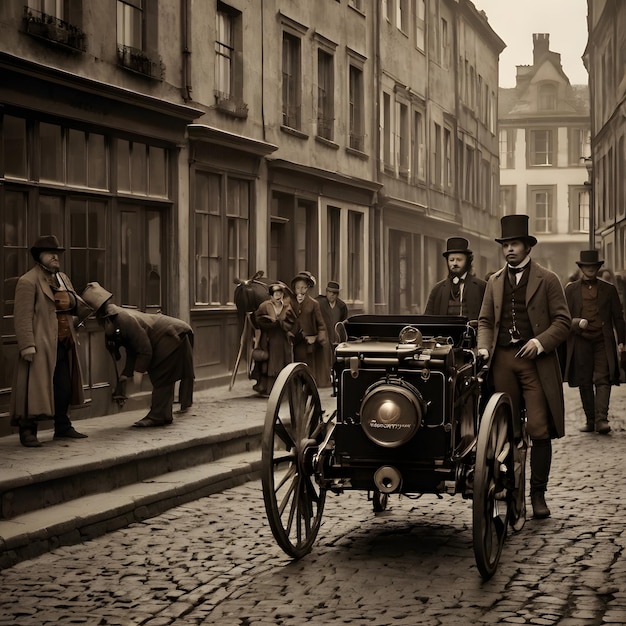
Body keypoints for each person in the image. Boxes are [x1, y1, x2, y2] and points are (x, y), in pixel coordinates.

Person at [478, 215, 571, 520]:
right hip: (502, 360)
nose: (509, 250)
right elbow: (485, 322)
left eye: (514, 244)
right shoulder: (493, 281)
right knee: (506, 429)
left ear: (527, 246)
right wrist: (483, 346)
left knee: (538, 427)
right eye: (505, 245)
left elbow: (563, 322)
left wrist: (540, 342)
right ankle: (511, 490)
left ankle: (538, 494)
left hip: (535, 363)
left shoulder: (549, 279)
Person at [10, 235, 91, 447]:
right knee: (33, 387)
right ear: (39, 257)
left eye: (58, 253)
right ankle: (28, 430)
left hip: (64, 342)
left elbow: (75, 304)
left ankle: (62, 427)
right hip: (40, 343)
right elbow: (22, 315)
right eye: (50, 253)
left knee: (63, 387)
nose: (56, 256)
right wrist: (27, 344)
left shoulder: (62, 278)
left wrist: (74, 311)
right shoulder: (28, 281)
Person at [81, 282, 194, 427]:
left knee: (162, 376)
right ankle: (163, 414)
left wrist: (138, 372)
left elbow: (144, 348)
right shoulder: (115, 316)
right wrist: (126, 373)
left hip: (172, 335)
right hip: (171, 334)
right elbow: (132, 348)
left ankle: (157, 416)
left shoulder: (122, 319)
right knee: (164, 378)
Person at [564, 250, 626, 435]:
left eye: (593, 267)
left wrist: (622, 341)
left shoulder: (609, 289)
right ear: (581, 268)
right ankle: (590, 420)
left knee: (602, 378)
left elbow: (618, 317)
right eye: (586, 266)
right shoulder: (571, 289)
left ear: (597, 268)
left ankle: (602, 420)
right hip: (581, 341)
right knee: (584, 381)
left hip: (602, 341)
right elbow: (564, 317)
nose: (590, 270)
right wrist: (576, 323)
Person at [425, 237, 486, 320]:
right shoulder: (437, 290)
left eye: (459, 260)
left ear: (467, 261)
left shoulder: (482, 287)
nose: (455, 263)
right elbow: (427, 319)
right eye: (451, 260)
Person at [251, 283, 296, 396]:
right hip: (268, 339)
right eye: (275, 294)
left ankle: (283, 391)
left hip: (282, 339)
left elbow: (292, 323)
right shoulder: (265, 306)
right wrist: (267, 323)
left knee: (283, 364)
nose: (278, 296)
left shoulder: (287, 307)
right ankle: (267, 388)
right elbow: (256, 320)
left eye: (280, 293)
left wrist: (281, 323)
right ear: (271, 296)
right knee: (268, 364)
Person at [290, 271, 331, 387]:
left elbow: (321, 323)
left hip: (308, 339)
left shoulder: (314, 304)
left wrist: (318, 337)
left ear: (307, 288)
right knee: (296, 361)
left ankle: (309, 383)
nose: (300, 290)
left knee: (307, 362)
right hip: (295, 338)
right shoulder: (290, 303)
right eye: (298, 288)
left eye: (303, 287)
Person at [316, 280, 348, 351]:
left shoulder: (342, 306)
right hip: (323, 339)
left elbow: (342, 325)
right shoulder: (319, 303)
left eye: (334, 293)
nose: (332, 295)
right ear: (326, 292)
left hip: (337, 340)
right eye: (329, 292)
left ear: (337, 294)